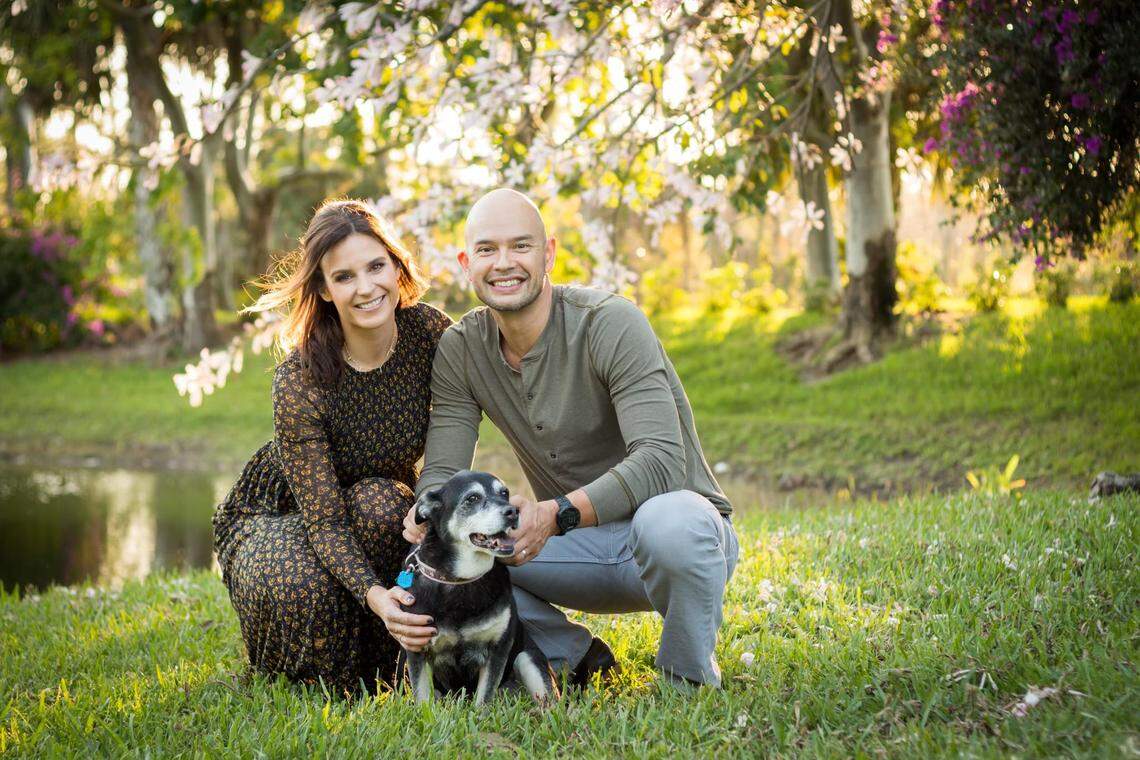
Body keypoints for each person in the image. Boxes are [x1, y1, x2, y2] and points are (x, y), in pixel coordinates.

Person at [396, 188, 739, 689]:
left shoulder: (610, 323)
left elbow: (663, 460)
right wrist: (426, 519)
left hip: (677, 542)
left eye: (521, 246)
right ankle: (573, 656)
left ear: (549, 253)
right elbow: (444, 468)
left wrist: (555, 513)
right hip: (576, 549)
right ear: (467, 264)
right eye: (487, 250)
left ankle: (686, 678)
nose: (504, 263)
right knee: (468, 550)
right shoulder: (461, 349)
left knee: (671, 521)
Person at [212, 199, 450, 695]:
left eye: (376, 266)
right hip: (278, 511)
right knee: (301, 583)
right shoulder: (299, 378)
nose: (366, 288)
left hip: (373, 496)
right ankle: (319, 681)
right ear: (323, 288)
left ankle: (388, 666)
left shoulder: (429, 332)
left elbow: (468, 408)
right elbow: (324, 520)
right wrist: (374, 594)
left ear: (396, 265)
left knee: (387, 504)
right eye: (344, 277)